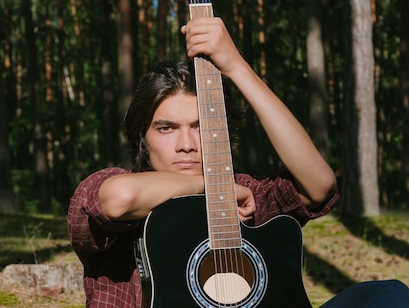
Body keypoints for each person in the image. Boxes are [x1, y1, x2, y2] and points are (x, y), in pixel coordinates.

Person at [67, 16, 409, 308]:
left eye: (200, 126)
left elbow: (319, 185)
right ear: (144, 135)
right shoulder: (117, 186)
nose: (186, 145)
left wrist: (236, 66)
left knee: (388, 294)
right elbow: (119, 200)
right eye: (167, 128)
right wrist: (215, 187)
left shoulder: (243, 200)